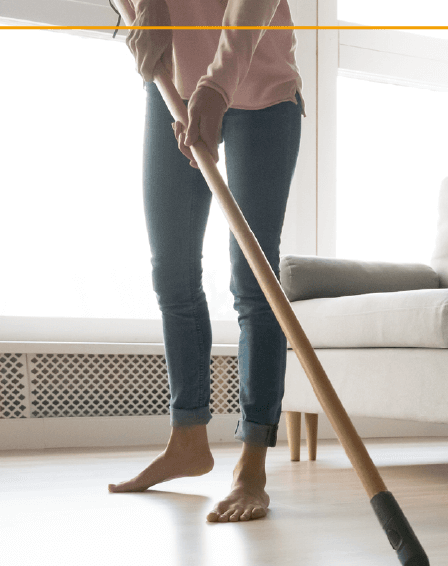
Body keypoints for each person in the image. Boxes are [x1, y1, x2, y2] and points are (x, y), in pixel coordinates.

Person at [108, 0, 302, 524]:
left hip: (261, 90)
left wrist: (216, 88)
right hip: (174, 87)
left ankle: (252, 467)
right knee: (171, 269)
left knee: (253, 278)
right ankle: (187, 440)